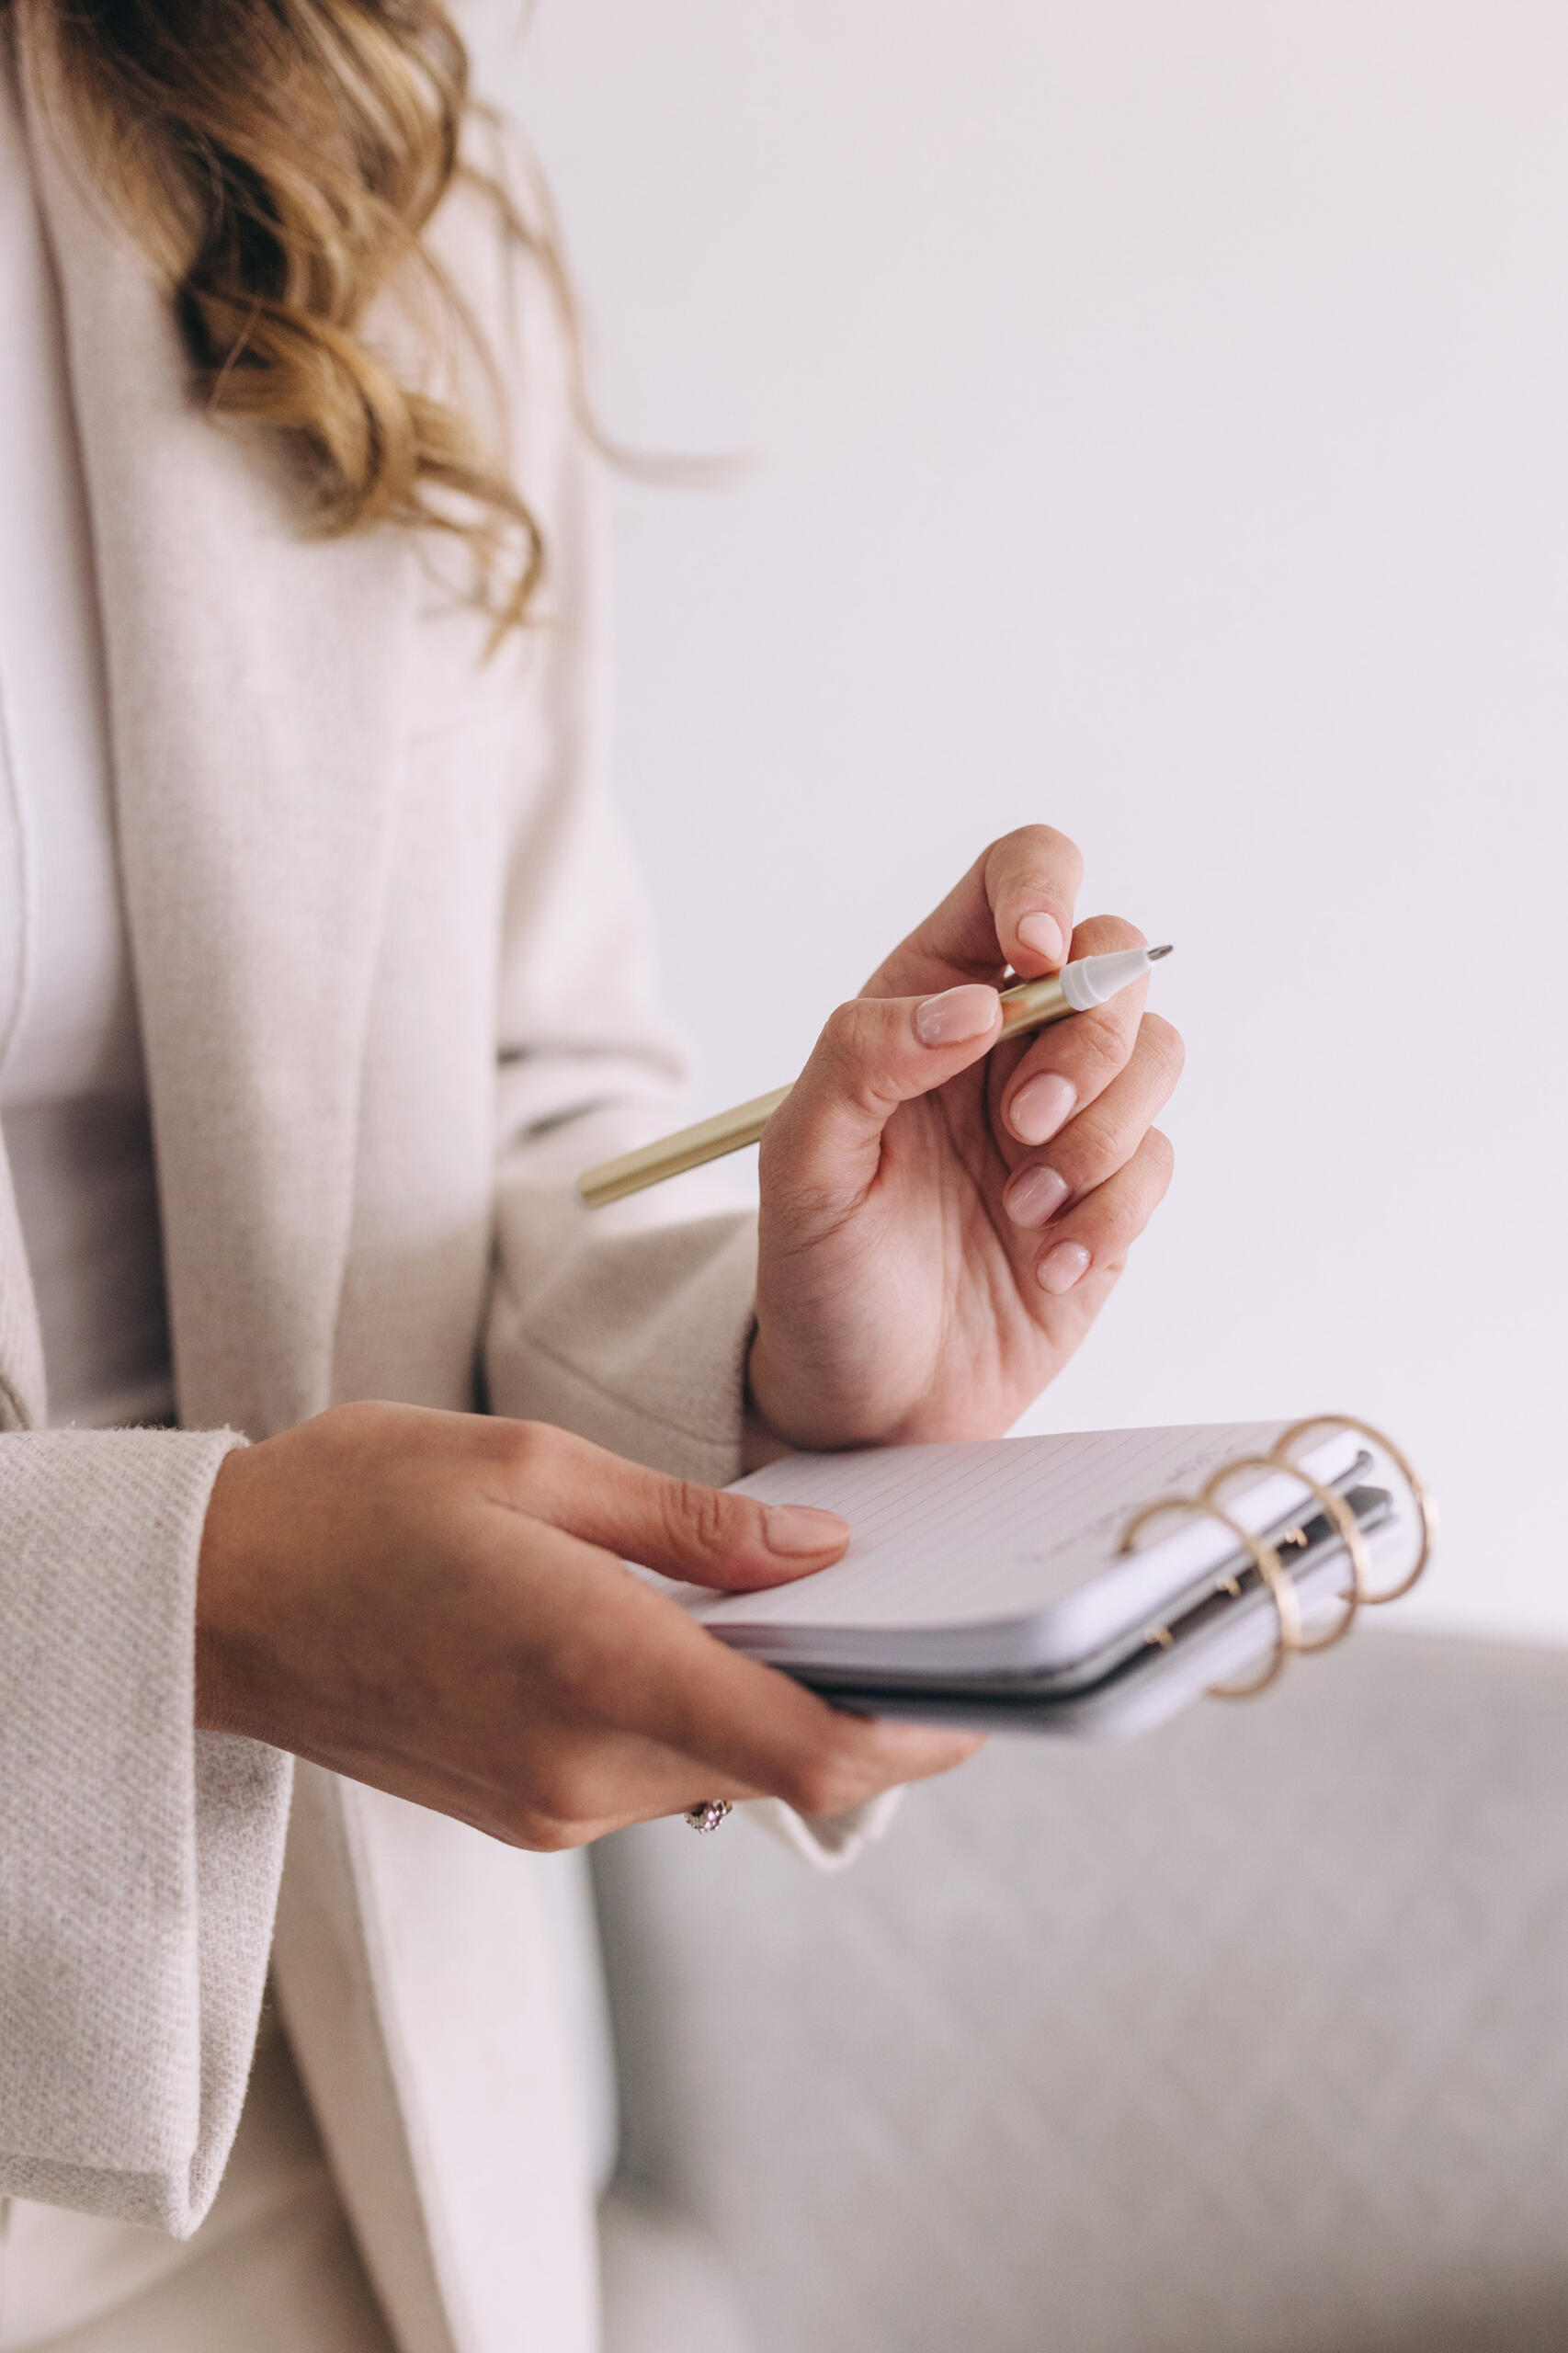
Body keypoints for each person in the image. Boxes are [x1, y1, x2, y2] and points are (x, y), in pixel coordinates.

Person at [0, 0, 1183, 2342]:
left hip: (313, 2125)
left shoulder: (339, 150)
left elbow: (499, 1098)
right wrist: (185, 1604)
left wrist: (772, 1345)